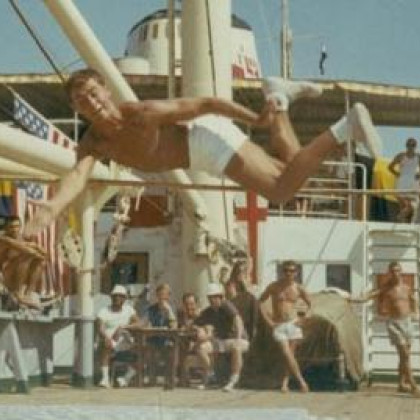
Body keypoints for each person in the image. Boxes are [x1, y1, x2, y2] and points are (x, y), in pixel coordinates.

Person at [24, 68, 381, 236]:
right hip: (199, 155)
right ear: (77, 109)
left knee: (281, 190)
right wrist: (52, 208)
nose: (91, 102)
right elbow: (77, 176)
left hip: (205, 140)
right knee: (290, 166)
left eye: (93, 93)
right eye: (82, 100)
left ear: (106, 90)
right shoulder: (93, 143)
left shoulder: (143, 113)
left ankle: (345, 126)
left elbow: (206, 104)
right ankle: (279, 96)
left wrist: (256, 120)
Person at [348, 261, 420, 397]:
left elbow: (413, 300)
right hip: (394, 323)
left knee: (404, 356)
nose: (396, 273)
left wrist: (416, 312)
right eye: (393, 271)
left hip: (407, 322)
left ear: (401, 272)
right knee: (405, 354)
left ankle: (401, 384)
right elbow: (370, 296)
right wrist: (354, 299)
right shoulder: (386, 288)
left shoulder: (406, 287)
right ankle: (413, 386)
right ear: (389, 273)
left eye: (398, 270)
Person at [259, 260, 311, 392]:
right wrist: (268, 321)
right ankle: (301, 381)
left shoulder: (299, 288)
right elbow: (260, 302)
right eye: (286, 270)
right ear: (282, 272)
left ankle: (285, 383)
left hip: (293, 323)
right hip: (279, 324)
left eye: (292, 271)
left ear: (296, 273)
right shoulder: (274, 286)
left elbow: (310, 304)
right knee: (286, 352)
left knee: (290, 355)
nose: (289, 273)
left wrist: (303, 318)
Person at [194, 282, 249, 392]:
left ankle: (233, 380)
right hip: (221, 341)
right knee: (201, 348)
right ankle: (211, 375)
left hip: (238, 339)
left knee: (236, 348)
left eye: (214, 297)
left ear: (220, 297)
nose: (212, 300)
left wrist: (238, 337)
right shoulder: (209, 311)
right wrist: (199, 329)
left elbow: (238, 320)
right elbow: (196, 323)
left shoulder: (226, 305)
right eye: (210, 297)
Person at [0, 216, 53, 310]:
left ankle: (29, 293)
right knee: (26, 255)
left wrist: (36, 249)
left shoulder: (21, 238)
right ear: (7, 228)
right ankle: (19, 294)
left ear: (20, 227)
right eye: (11, 227)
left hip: (17, 275)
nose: (14, 229)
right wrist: (33, 246)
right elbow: (23, 248)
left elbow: (45, 254)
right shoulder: (3, 238)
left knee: (41, 261)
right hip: (5, 277)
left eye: (17, 226)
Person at [96, 284, 141, 388]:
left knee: (142, 350)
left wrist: (124, 327)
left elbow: (138, 323)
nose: (117, 298)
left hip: (125, 340)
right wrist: (106, 337)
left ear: (124, 299)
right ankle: (105, 378)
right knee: (106, 345)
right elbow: (100, 328)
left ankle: (125, 379)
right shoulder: (104, 311)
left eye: (120, 296)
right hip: (110, 340)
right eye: (115, 296)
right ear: (111, 297)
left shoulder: (129, 310)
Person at [144, 283, 177, 387]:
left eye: (164, 295)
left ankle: (169, 381)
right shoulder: (151, 309)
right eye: (160, 295)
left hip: (168, 339)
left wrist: (168, 311)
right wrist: (148, 325)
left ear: (168, 296)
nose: (162, 297)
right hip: (154, 339)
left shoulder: (172, 308)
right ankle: (152, 379)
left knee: (170, 349)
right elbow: (146, 322)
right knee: (149, 348)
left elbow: (174, 326)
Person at [388, 137, 420, 222]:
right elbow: (390, 167)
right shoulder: (400, 156)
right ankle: (401, 221)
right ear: (406, 145)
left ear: (415, 146)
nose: (411, 147)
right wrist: (397, 174)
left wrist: (419, 175)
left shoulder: (418, 156)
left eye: (413, 145)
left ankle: (400, 220)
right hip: (402, 182)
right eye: (409, 145)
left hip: (413, 183)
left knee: (411, 206)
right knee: (404, 206)